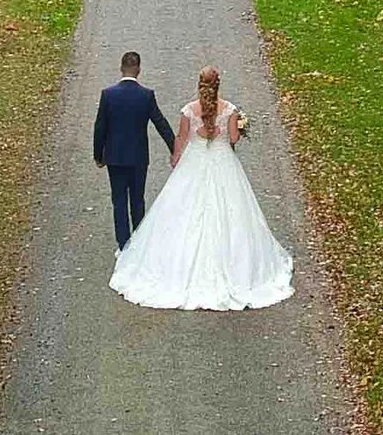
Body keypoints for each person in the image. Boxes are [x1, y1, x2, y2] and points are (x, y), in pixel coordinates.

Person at [110, 64, 294, 311]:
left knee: (182, 213)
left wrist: (176, 159)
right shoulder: (230, 110)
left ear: (199, 85)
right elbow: (232, 139)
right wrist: (239, 126)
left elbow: (182, 139)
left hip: (194, 163)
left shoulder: (189, 110)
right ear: (218, 85)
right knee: (232, 213)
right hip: (223, 163)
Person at [92, 50, 176, 250]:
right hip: (138, 157)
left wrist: (98, 155)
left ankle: (123, 244)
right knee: (137, 200)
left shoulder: (108, 95)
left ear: (121, 68)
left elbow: (100, 126)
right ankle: (139, 241)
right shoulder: (146, 95)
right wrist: (175, 148)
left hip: (115, 157)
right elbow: (160, 123)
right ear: (138, 69)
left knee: (119, 200)